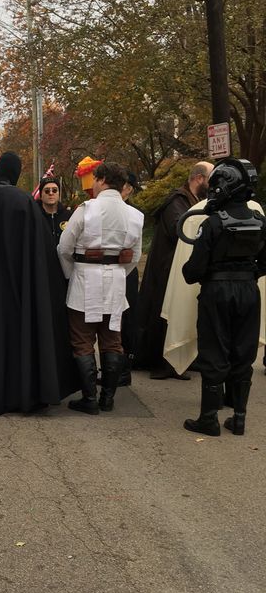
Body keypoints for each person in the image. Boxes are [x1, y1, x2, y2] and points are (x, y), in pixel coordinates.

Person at [0, 151, 78, 417]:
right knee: (12, 337)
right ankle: (15, 392)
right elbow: (40, 254)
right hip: (14, 289)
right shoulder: (22, 202)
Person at [179, 158, 266, 436]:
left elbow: (193, 271)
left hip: (217, 292)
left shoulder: (213, 224)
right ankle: (239, 417)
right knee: (244, 350)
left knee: (214, 350)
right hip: (248, 291)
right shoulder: (260, 222)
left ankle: (209, 418)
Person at [57, 162, 143, 414]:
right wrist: (116, 272)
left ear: (102, 179)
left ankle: (90, 398)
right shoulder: (134, 215)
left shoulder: (87, 209)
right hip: (115, 281)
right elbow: (135, 257)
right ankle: (108, 397)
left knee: (82, 340)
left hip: (85, 278)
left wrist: (72, 274)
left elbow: (64, 247)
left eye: (94, 179)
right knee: (112, 340)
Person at [135, 161, 213, 378]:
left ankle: (184, 358)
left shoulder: (194, 200)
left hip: (181, 269)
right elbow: (179, 228)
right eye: (210, 178)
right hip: (167, 271)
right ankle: (165, 363)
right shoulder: (177, 201)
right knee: (166, 316)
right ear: (199, 178)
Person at [118, 170, 142, 386]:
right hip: (120, 270)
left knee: (125, 319)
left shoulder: (133, 213)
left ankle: (123, 368)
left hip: (126, 271)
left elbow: (135, 253)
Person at [36, 176, 71, 248]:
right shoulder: (34, 216)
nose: (51, 193)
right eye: (47, 191)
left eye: (54, 190)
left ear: (59, 194)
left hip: (63, 258)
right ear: (41, 195)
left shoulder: (69, 216)